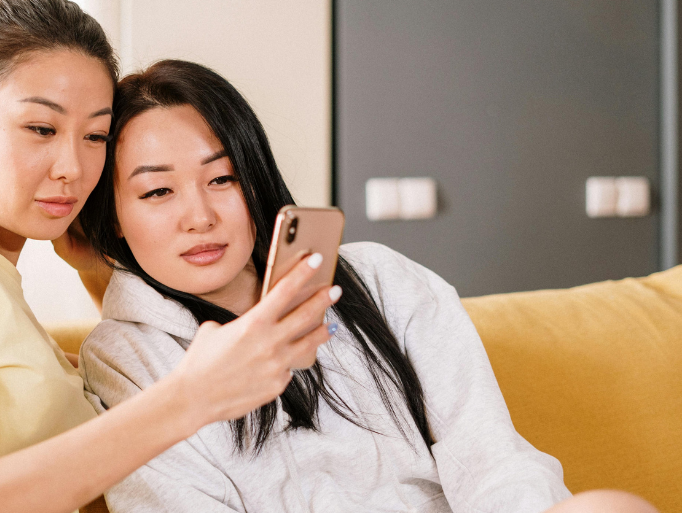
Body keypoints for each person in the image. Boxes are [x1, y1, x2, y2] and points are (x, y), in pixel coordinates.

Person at [0, 3, 340, 512]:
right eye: (41, 129)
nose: (73, 166)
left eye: (95, 136)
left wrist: (98, 271)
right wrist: (187, 399)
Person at [77, 60, 659, 513]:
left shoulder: (381, 279)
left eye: (223, 177)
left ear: (255, 178)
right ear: (114, 215)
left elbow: (488, 456)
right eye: (158, 192)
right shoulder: (125, 355)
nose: (199, 216)